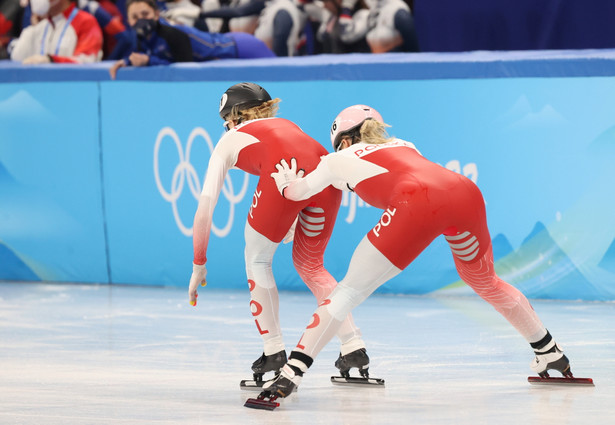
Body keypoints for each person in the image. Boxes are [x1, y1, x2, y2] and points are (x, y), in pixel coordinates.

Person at [262, 104, 573, 399]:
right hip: (465, 194)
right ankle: (550, 352)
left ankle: (290, 375)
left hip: (417, 200)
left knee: (347, 291)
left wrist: (286, 181)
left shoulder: (334, 161)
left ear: (343, 140)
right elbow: (374, 176)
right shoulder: (405, 144)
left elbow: (298, 193)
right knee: (485, 280)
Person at [188, 84, 371, 384]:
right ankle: (353, 346)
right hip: (325, 172)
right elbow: (300, 158)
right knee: (312, 265)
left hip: (282, 173)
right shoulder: (289, 124)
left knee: (257, 260)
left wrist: (199, 263)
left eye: (225, 123)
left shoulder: (228, 140)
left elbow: (205, 208)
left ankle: (273, 350)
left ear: (233, 119)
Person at [109, 0, 275, 79]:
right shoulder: (142, 38)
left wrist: (148, 60)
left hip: (241, 47)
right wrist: (127, 61)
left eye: (145, 14)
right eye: (135, 17)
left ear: (156, 14)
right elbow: (149, 57)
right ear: (128, 20)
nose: (141, 20)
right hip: (227, 47)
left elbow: (185, 69)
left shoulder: (172, 33)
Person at [9, 0, 103, 64]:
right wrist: (31, 29)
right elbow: (17, 58)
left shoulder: (86, 22)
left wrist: (51, 60)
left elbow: (86, 62)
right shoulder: (39, 27)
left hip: (72, 89)